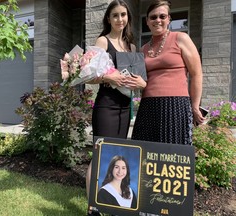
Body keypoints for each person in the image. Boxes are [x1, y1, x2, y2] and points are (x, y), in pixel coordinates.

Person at [85, 1, 146, 215]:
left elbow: (137, 80)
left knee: (116, 153)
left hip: (124, 106)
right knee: (100, 154)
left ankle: (109, 204)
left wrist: (139, 83)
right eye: (115, 15)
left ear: (128, 17)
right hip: (106, 106)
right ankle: (92, 207)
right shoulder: (102, 41)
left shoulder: (132, 48)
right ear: (108, 19)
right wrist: (108, 76)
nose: (120, 19)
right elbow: (88, 75)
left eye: (123, 15)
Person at [131, 0, 204, 145]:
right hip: (147, 106)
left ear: (169, 19)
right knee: (144, 151)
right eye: (153, 17)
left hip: (175, 105)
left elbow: (196, 74)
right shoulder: (143, 49)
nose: (158, 20)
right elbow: (140, 81)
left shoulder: (181, 38)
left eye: (162, 16)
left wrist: (195, 106)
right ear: (147, 21)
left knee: (172, 154)